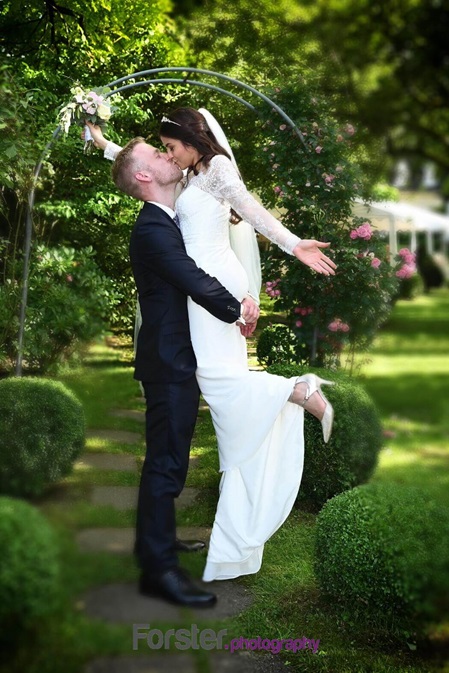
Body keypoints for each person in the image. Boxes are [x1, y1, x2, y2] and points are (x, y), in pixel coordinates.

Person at [87, 108, 336, 584]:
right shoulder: (178, 182)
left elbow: (254, 209)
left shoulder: (211, 172)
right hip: (205, 299)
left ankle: (293, 392)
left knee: (220, 386)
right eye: (161, 152)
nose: (168, 156)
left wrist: (292, 245)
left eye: (170, 147)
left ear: (189, 142)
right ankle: (287, 397)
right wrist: (102, 144)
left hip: (212, 292)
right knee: (216, 392)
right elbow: (136, 164)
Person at [107, 136, 260, 608]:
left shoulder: (165, 219)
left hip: (175, 356)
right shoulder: (152, 229)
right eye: (157, 154)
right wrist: (240, 312)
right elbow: (192, 280)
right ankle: (159, 571)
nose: (167, 155)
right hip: (169, 360)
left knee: (167, 459)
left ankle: (157, 542)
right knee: (166, 465)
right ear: (145, 177)